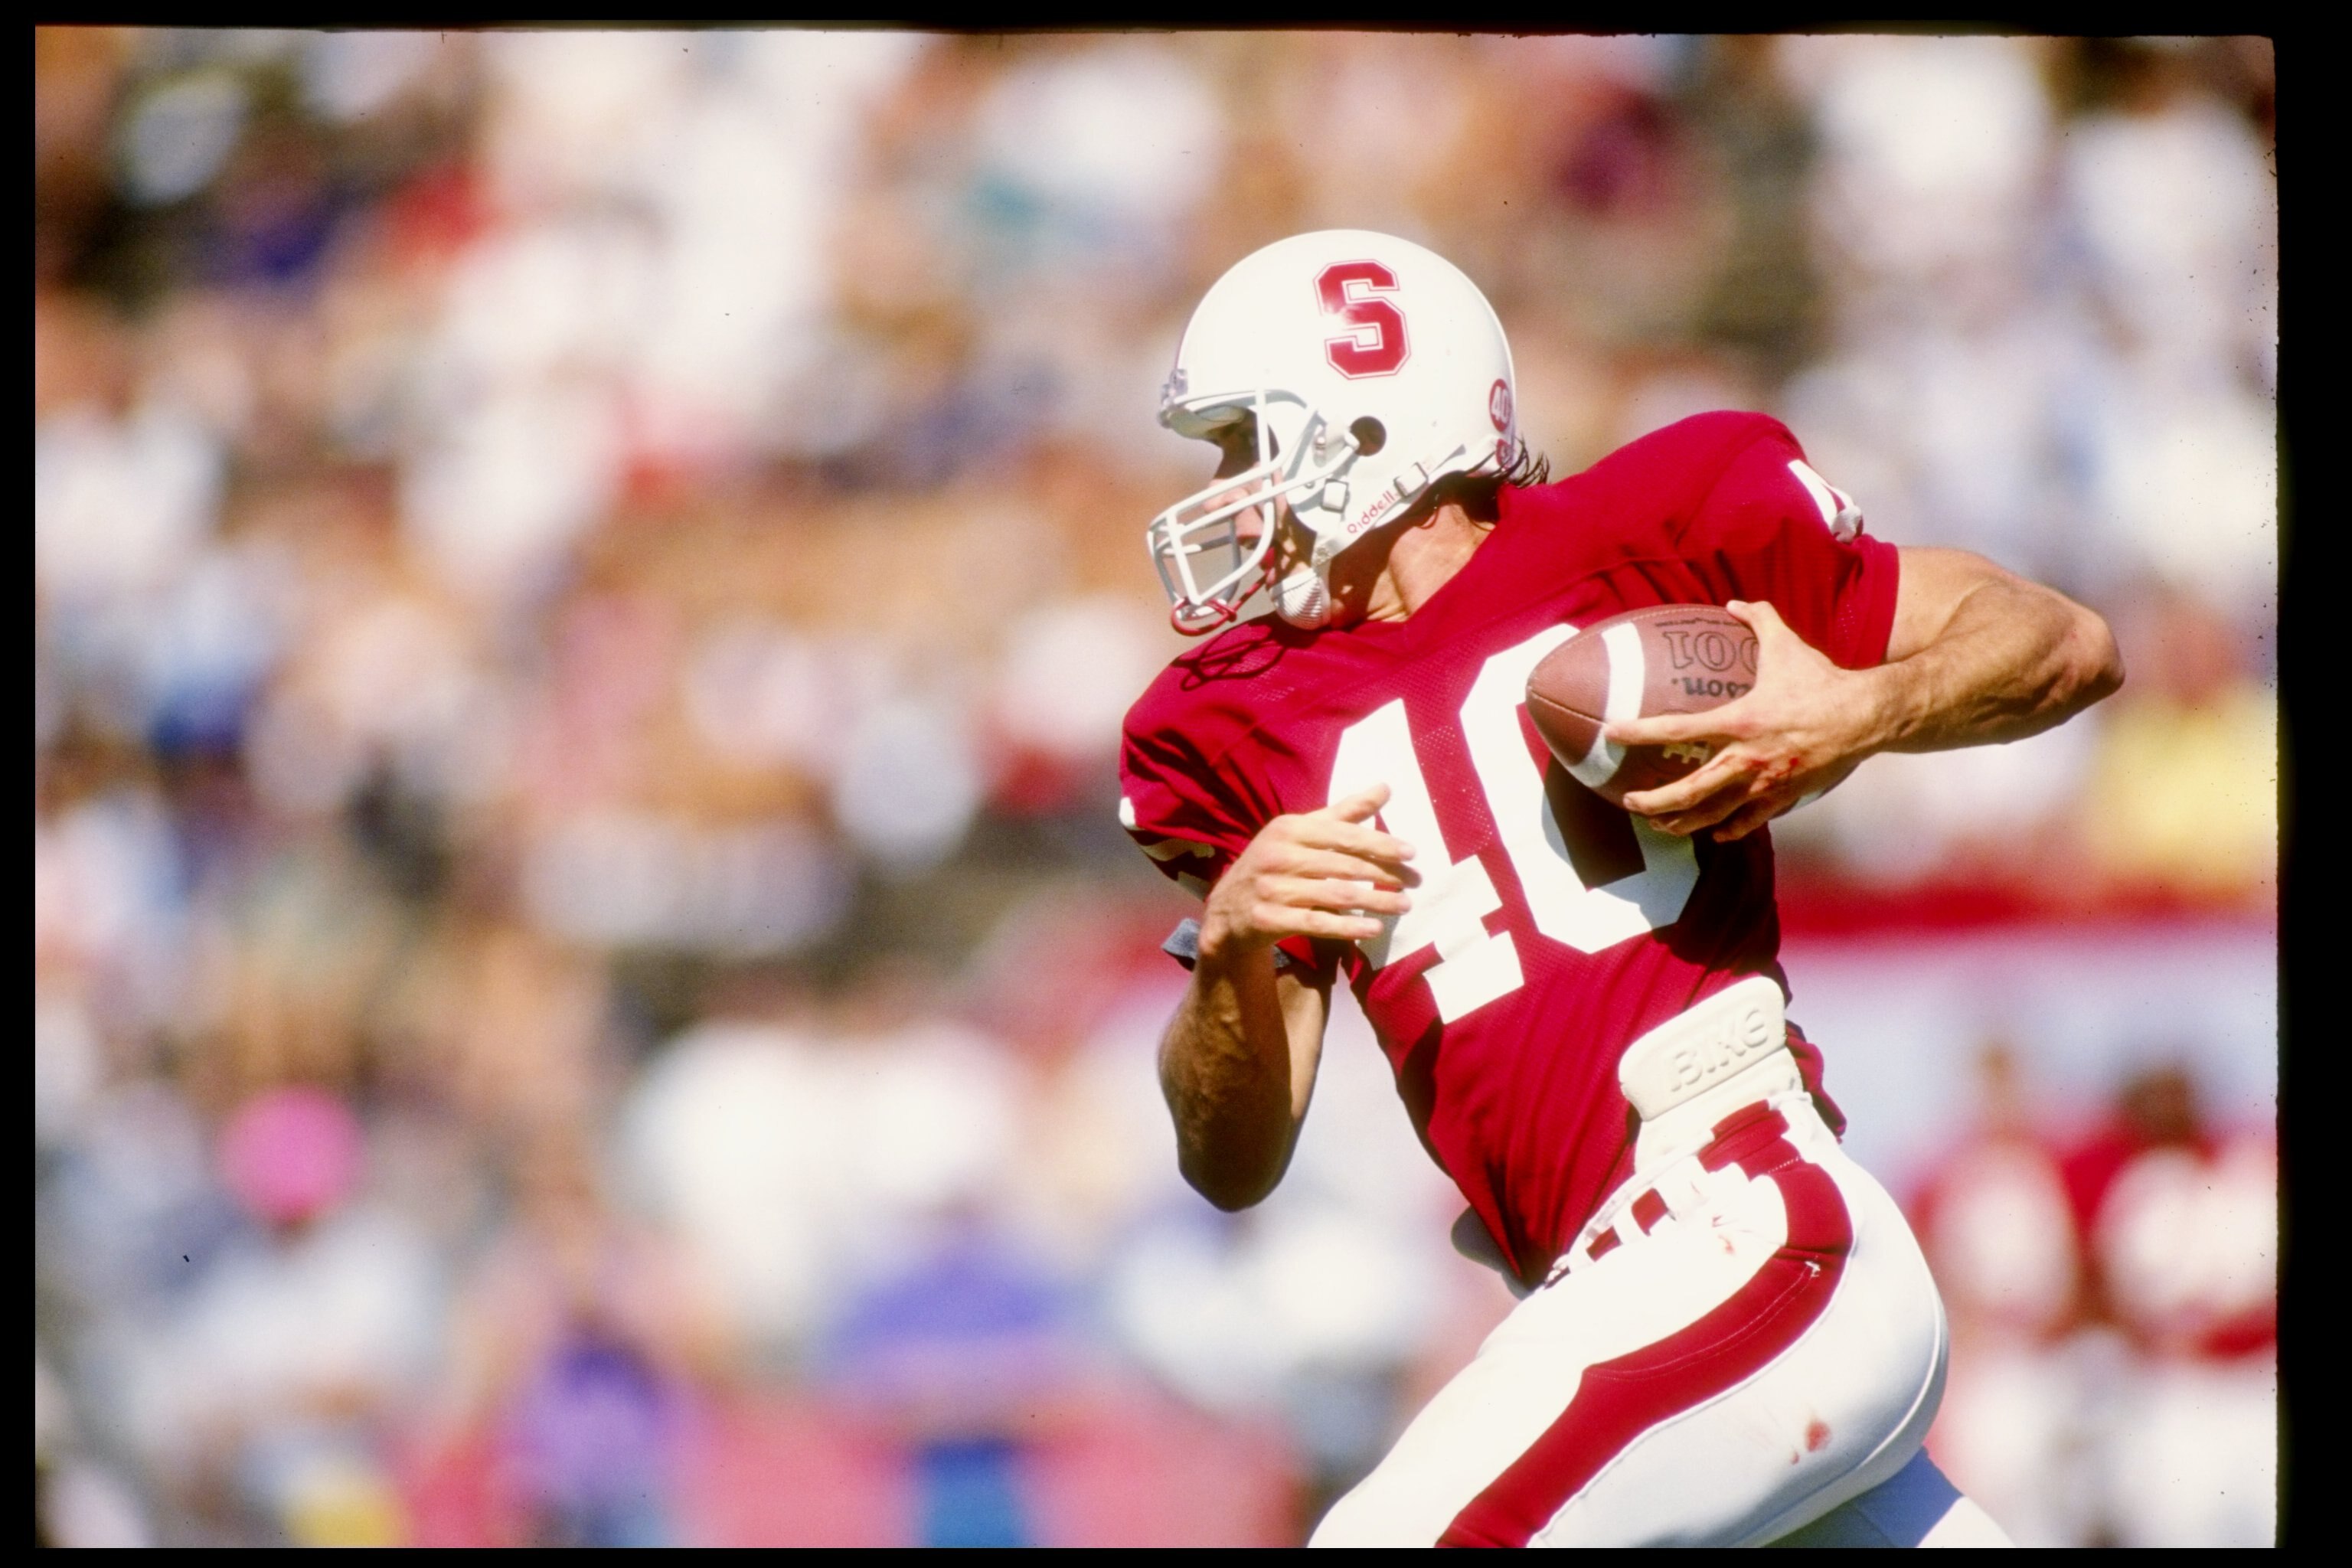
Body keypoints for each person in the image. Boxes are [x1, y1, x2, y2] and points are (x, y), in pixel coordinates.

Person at [1116, 230, 2122, 1547]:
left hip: (1737, 1216)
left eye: (1248, 444)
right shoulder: (1238, 718)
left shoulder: (1651, 523)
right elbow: (1231, 1162)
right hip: (1609, 1300)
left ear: (1365, 427)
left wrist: (1860, 708)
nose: (1229, 491)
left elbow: (2065, 641)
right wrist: (1240, 948)